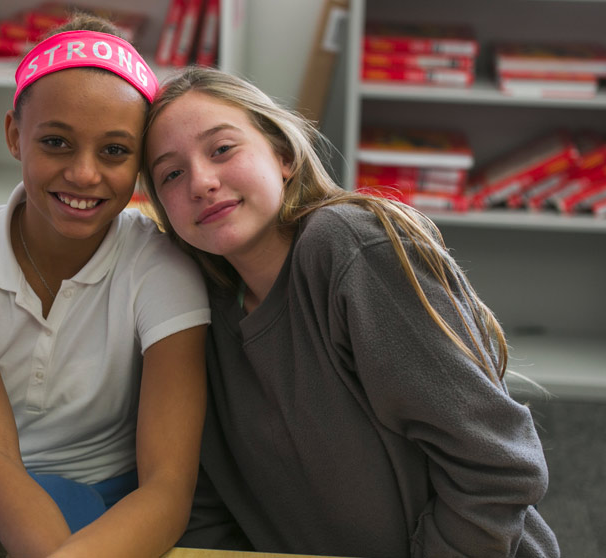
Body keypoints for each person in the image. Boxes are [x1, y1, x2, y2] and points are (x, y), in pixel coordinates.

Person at [141, 66, 560, 558]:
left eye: (222, 149)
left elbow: (497, 465)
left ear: (283, 155)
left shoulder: (347, 246)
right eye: (172, 174)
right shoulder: (196, 311)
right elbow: (204, 503)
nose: (202, 182)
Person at [0, 16, 211, 558]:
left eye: (114, 151)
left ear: (141, 162)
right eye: (56, 142)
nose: (83, 174)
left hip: (117, 501)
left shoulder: (163, 267)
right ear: (15, 135)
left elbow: (168, 489)